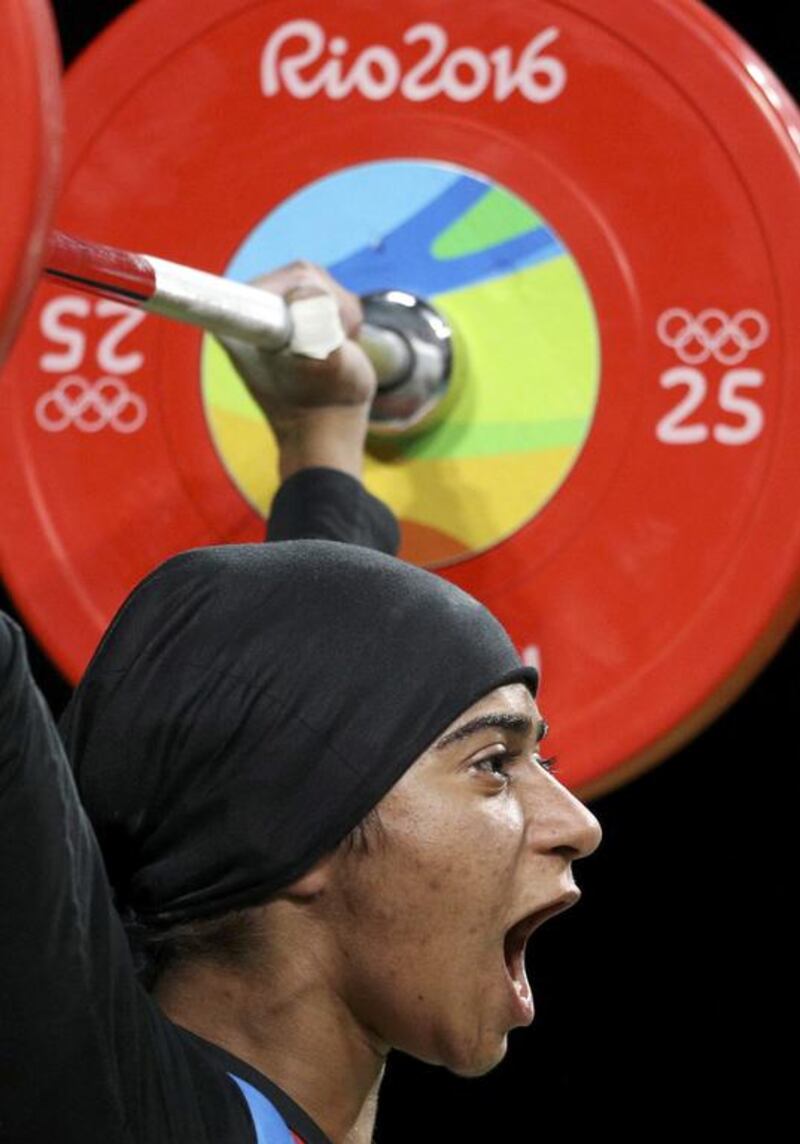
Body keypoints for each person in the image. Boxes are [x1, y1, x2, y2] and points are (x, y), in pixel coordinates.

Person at [0, 261, 602, 1144]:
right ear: (295, 825)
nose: (578, 823)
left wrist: (322, 436)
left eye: (535, 761)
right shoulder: (99, 1106)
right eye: (492, 765)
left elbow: (305, 710)